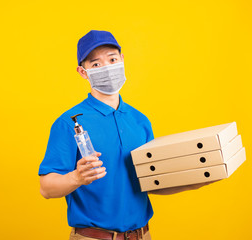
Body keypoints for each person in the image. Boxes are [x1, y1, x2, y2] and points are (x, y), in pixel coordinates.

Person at [39, 30, 208, 240]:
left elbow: (150, 182)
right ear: (83, 72)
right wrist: (76, 177)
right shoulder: (69, 123)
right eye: (96, 64)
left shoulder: (139, 120)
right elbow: (46, 188)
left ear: (122, 60)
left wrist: (195, 179)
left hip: (141, 235)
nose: (108, 68)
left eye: (112, 59)